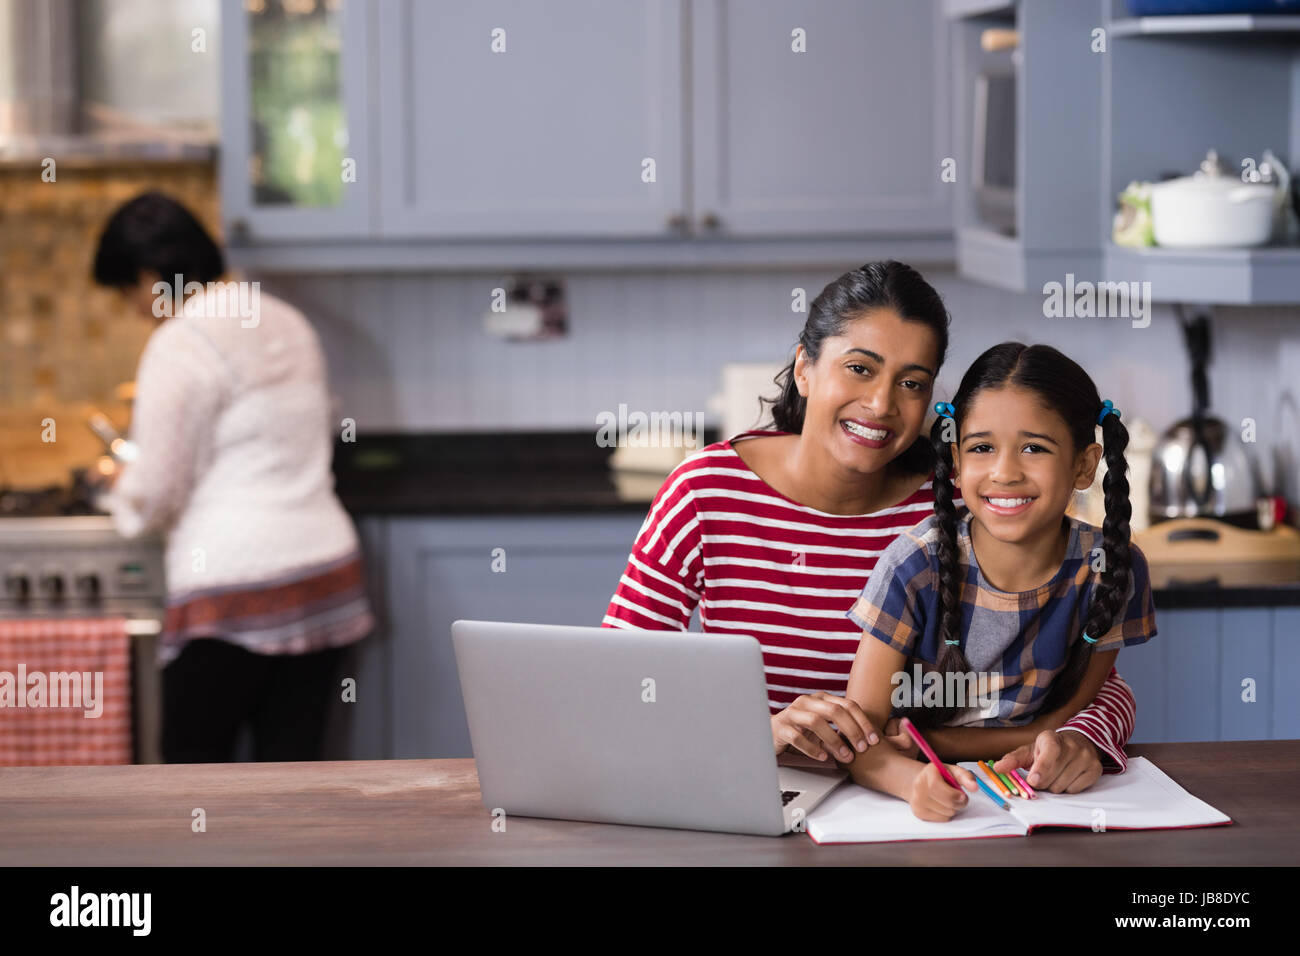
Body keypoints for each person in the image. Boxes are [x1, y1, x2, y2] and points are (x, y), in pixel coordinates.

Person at [603, 261, 1137, 791]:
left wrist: (1078, 737)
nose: (882, 404)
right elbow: (625, 686)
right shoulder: (705, 491)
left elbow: (1082, 680)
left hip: (924, 800)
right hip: (750, 787)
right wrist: (757, 734)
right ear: (805, 368)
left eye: (911, 382)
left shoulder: (959, 504)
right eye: (859, 368)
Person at [92, 191, 373, 762]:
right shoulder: (288, 319)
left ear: (150, 276)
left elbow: (155, 492)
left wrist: (117, 489)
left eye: (129, 292)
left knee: (192, 787)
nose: (134, 308)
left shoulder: (182, 341)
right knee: (291, 788)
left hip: (233, 591)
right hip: (324, 575)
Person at [842, 342, 1155, 821]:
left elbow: (1065, 716)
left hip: (1045, 800)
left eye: (1034, 448)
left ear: (1084, 465)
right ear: (958, 460)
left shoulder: (1112, 567)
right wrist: (913, 782)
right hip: (926, 798)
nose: (1005, 472)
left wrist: (935, 740)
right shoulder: (913, 567)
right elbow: (861, 739)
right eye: (982, 448)